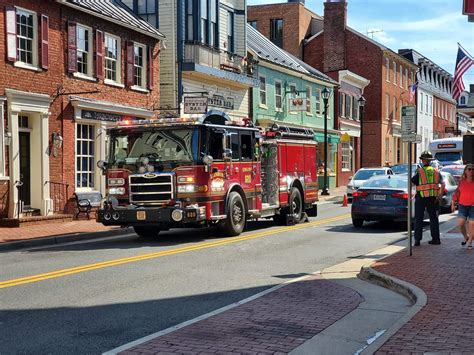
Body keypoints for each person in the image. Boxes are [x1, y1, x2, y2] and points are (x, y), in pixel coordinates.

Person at [412, 151, 445, 246]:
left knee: (419, 219)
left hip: (421, 197)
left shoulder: (420, 171)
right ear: (430, 161)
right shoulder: (436, 171)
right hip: (433, 198)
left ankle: (417, 240)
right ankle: (436, 239)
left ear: (423, 160)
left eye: (422, 159)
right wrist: (439, 195)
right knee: (433, 219)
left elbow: (412, 183)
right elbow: (443, 184)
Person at [451, 164, 474, 249]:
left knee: (472, 224)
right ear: (465, 171)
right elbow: (457, 193)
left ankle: (470, 242)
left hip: (473, 206)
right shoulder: (461, 181)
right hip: (462, 206)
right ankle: (466, 237)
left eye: (473, 169)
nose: (471, 171)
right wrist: (453, 203)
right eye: (469, 169)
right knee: (460, 223)